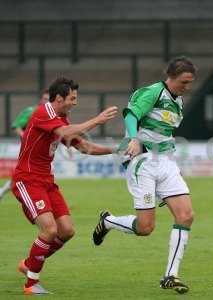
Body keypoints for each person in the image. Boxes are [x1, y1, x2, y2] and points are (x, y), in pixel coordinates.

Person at [92, 56, 196, 294]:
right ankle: (108, 221)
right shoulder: (153, 92)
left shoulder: (177, 99)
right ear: (171, 77)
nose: (187, 87)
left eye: (190, 82)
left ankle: (171, 275)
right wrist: (133, 138)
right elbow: (131, 114)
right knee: (146, 227)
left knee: (186, 216)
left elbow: (164, 131)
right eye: (184, 81)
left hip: (166, 162)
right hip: (143, 162)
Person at [11, 77, 118, 295]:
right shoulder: (44, 112)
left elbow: (84, 146)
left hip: (46, 181)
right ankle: (31, 284)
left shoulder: (61, 119)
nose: (75, 102)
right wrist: (97, 120)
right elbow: (66, 134)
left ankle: (29, 264)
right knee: (49, 229)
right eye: (73, 98)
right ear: (59, 98)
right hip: (28, 179)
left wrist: (117, 149)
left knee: (67, 231)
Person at [0, 90, 49, 201]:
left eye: (48, 100)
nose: (46, 102)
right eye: (45, 99)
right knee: (25, 174)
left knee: (25, 174)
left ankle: (2, 190)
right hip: (27, 148)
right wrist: (25, 137)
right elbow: (16, 125)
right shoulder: (31, 111)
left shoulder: (51, 114)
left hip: (40, 151)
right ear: (41, 99)